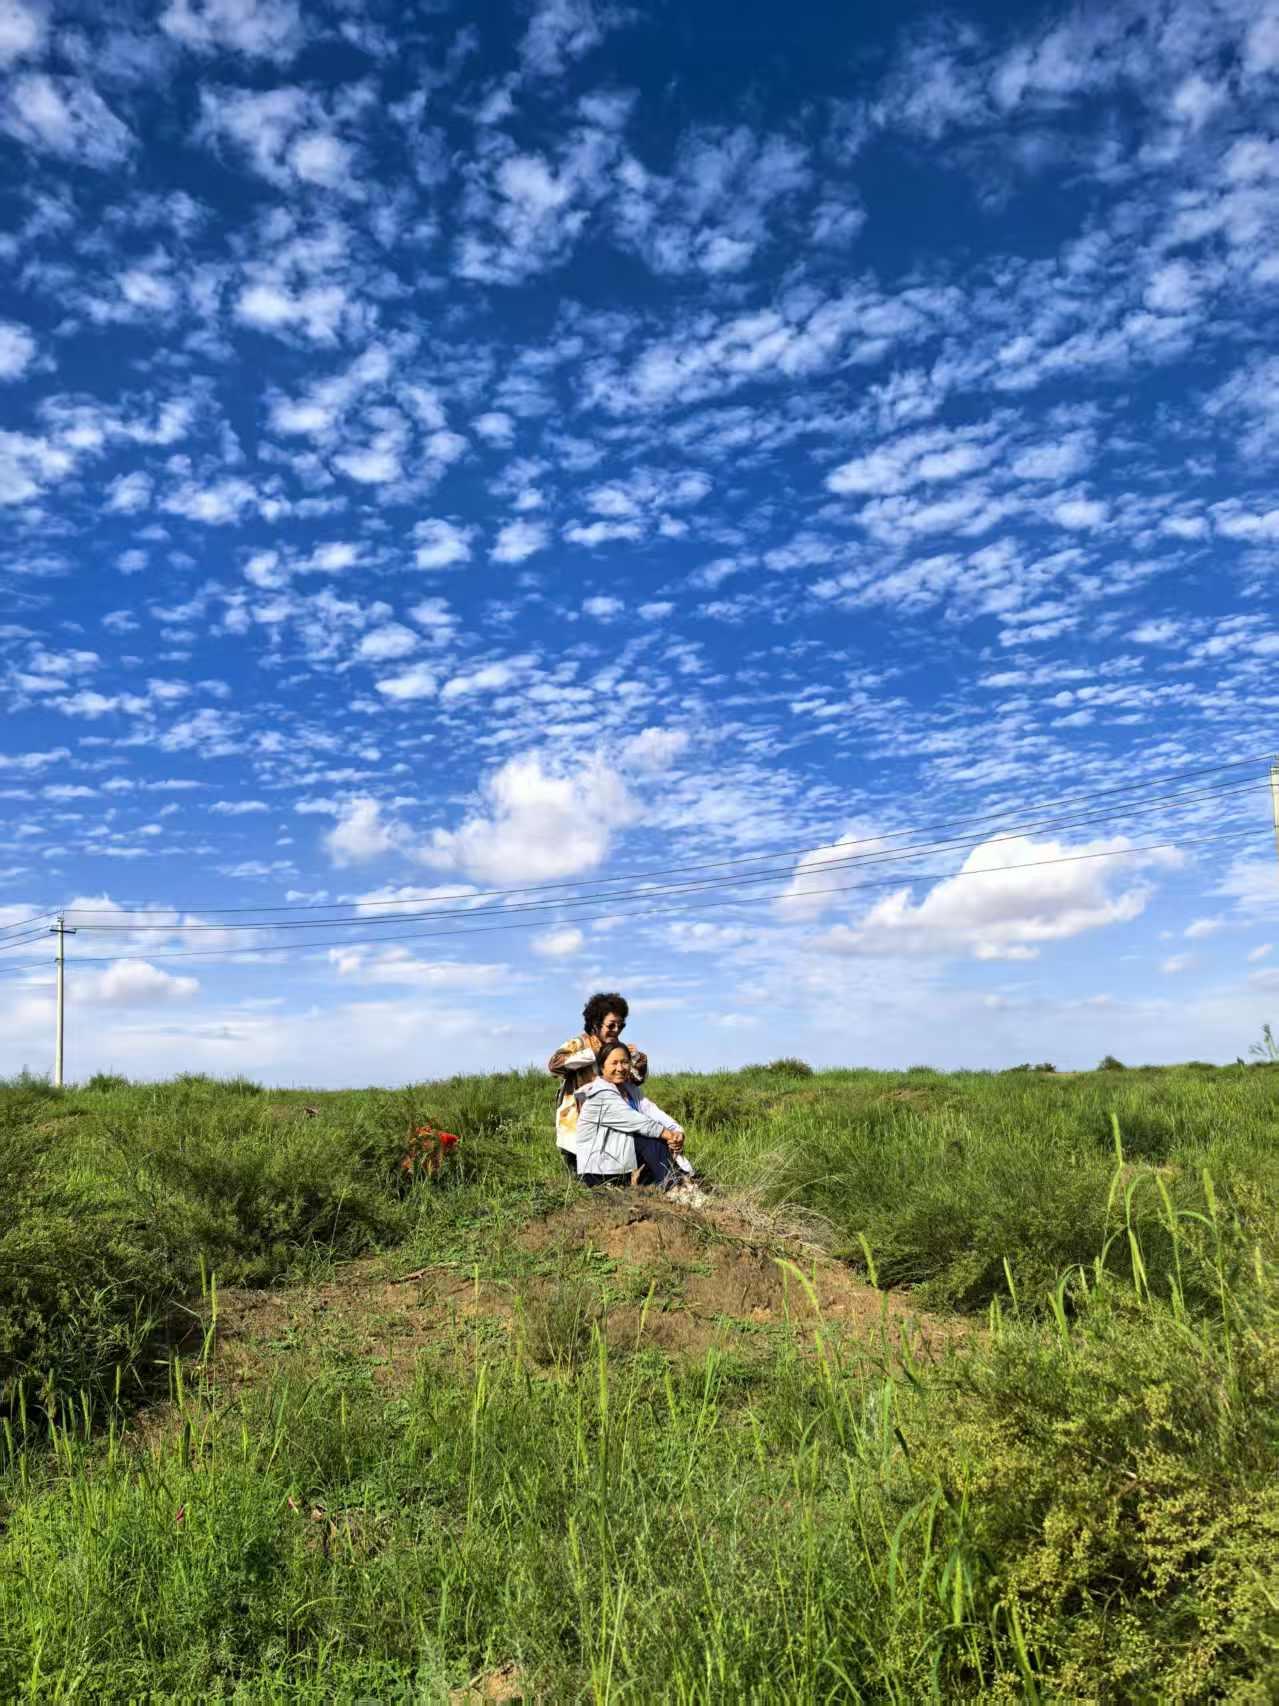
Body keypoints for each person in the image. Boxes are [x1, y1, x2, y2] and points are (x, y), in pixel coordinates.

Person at [548, 991, 648, 1174]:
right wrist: (593, 1054)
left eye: (621, 1025)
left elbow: (635, 1081)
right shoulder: (579, 1043)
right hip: (577, 1126)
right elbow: (554, 1066)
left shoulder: (618, 1049)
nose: (616, 1030)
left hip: (612, 1123)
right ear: (595, 1024)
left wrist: (638, 1061)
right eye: (611, 1025)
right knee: (585, 1177)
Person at [574, 1042, 684, 1188]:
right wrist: (668, 1135)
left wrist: (677, 1132)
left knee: (660, 1138)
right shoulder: (600, 1094)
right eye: (614, 1063)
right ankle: (675, 1187)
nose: (620, 1068)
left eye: (625, 1062)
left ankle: (678, 1181)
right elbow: (638, 1122)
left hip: (621, 1161)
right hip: (599, 1170)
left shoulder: (629, 1089)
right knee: (651, 1138)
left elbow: (653, 1111)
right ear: (602, 1067)